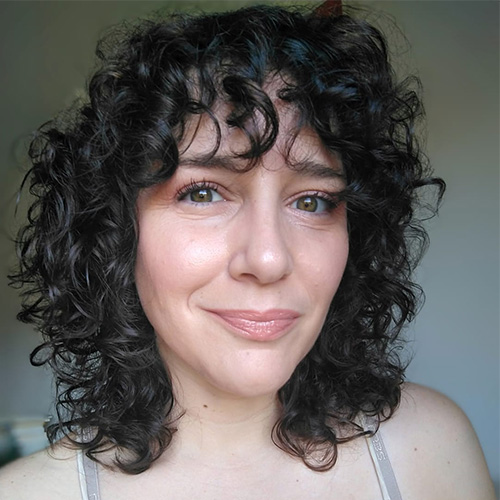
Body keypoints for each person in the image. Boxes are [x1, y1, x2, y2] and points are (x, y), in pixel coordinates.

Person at [0, 3, 494, 499]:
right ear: (117, 229)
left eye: (312, 201)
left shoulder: (431, 450)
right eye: (202, 193)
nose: (268, 259)